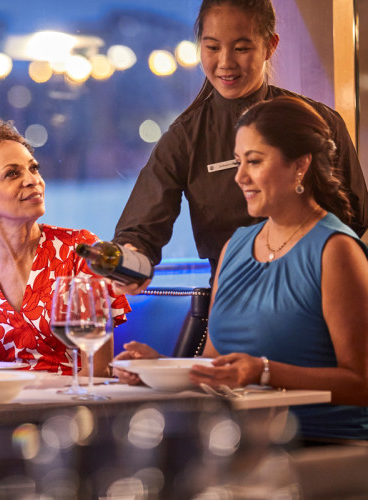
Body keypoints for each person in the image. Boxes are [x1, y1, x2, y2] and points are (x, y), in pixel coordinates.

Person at [119, 96, 368, 441]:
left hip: (321, 444)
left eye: (254, 161)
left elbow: (361, 384)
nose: (239, 177)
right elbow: (216, 364)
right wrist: (158, 369)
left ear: (299, 166)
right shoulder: (236, 245)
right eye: (238, 162)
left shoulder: (336, 250)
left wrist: (264, 372)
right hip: (238, 442)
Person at [113, 0, 368, 290]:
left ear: (270, 46)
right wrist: (130, 261)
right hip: (231, 301)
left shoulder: (320, 122)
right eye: (212, 47)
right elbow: (141, 233)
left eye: (241, 48)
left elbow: (355, 222)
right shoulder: (185, 138)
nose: (225, 62)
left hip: (317, 295)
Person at [0, 119, 130, 375]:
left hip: (68, 407)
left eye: (33, 168)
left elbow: (98, 368)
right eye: (12, 173)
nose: (32, 180)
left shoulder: (80, 250)